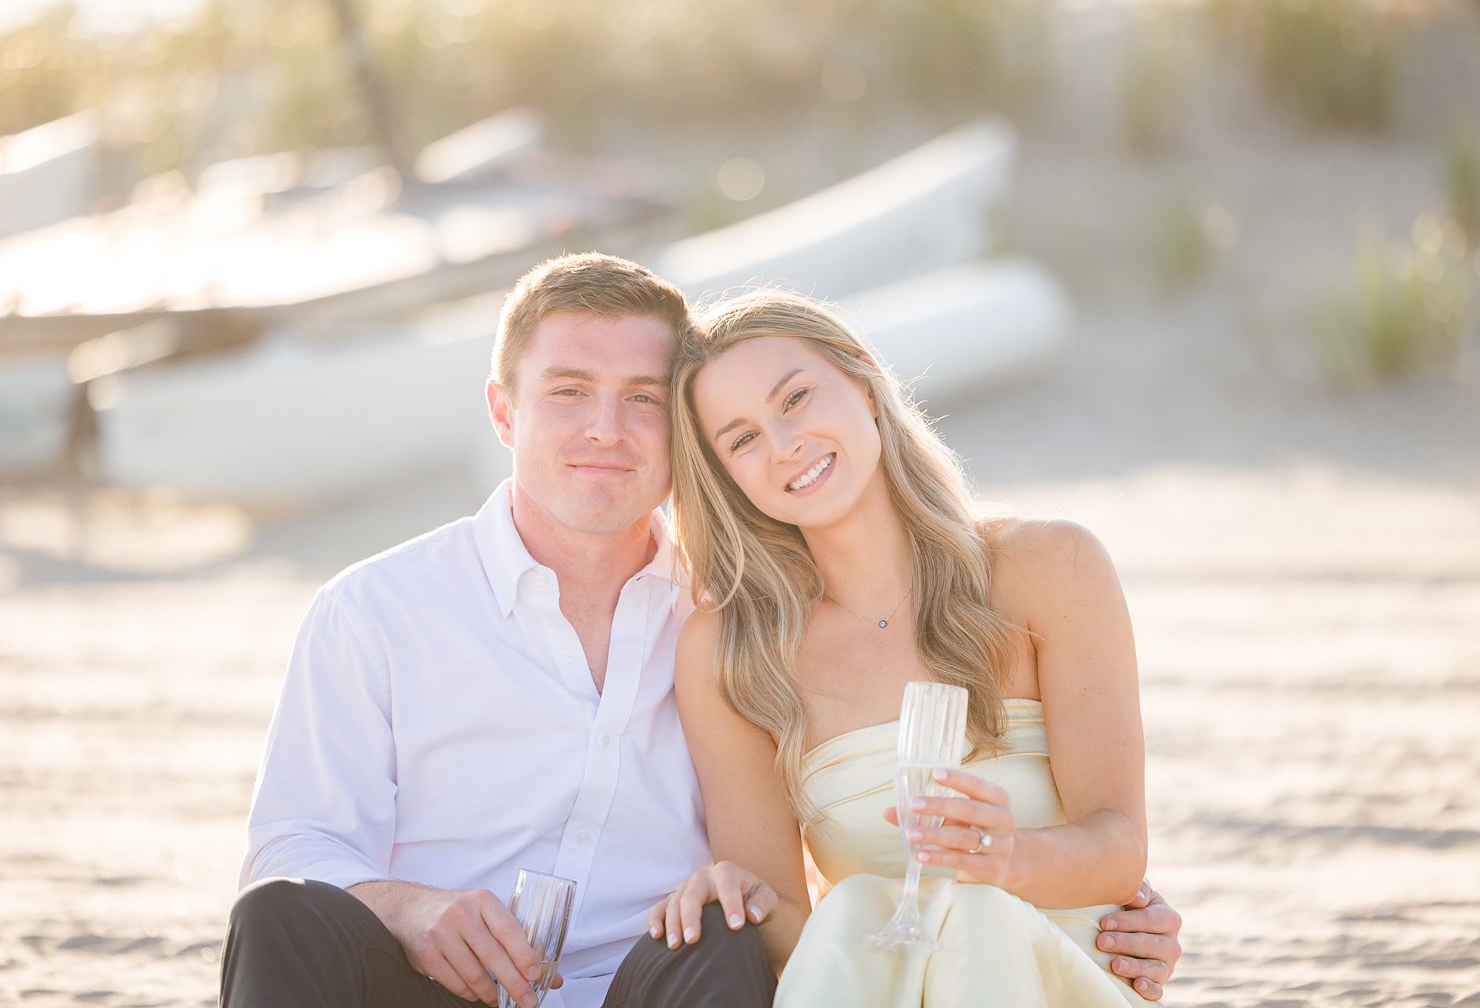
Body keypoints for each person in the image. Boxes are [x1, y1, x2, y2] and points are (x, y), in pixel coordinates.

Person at [218, 253, 1182, 1008]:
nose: (607, 426)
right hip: (437, 989)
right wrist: (411, 908)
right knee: (282, 919)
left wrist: (1079, 893)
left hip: (661, 989)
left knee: (718, 931)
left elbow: (803, 886)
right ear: (503, 411)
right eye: (567, 391)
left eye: (642, 398)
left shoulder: (723, 616)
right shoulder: (381, 612)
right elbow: (291, 845)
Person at [653, 287, 1161, 1006]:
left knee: (978, 910)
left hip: (1062, 973)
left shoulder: (1052, 566)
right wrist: (735, 894)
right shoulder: (732, 653)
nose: (784, 444)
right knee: (855, 904)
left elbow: (1118, 845)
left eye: (795, 399)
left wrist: (1008, 859)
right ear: (726, 476)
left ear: (862, 381)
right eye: (742, 439)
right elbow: (798, 934)